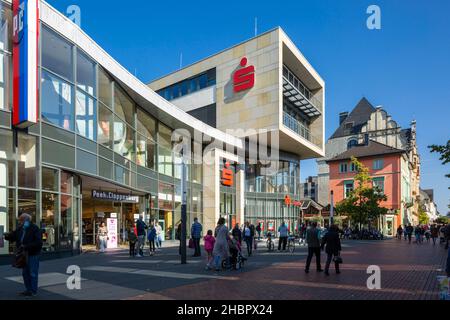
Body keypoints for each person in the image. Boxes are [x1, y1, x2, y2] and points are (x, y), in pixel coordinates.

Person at [4, 213, 43, 297]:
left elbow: (39, 243)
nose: (19, 222)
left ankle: (33, 291)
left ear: (27, 220)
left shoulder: (34, 228)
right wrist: (5, 236)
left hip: (32, 254)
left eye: (21, 220)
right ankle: (28, 290)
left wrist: (26, 246)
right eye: (19, 221)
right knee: (25, 273)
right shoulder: (20, 228)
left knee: (32, 273)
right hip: (23, 254)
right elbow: (13, 236)